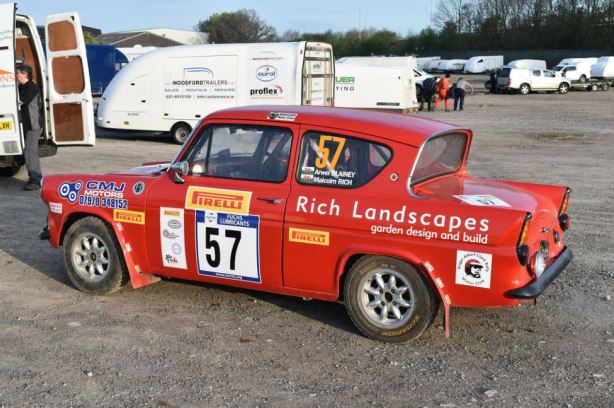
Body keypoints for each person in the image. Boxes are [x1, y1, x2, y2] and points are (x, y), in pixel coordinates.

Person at [17, 64, 43, 190]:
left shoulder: (32, 87)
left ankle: (36, 180)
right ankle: (34, 178)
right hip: (28, 126)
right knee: (28, 153)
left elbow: (23, 100)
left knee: (31, 153)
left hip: (34, 126)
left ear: (24, 74)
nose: (17, 75)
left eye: (18, 73)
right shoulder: (23, 86)